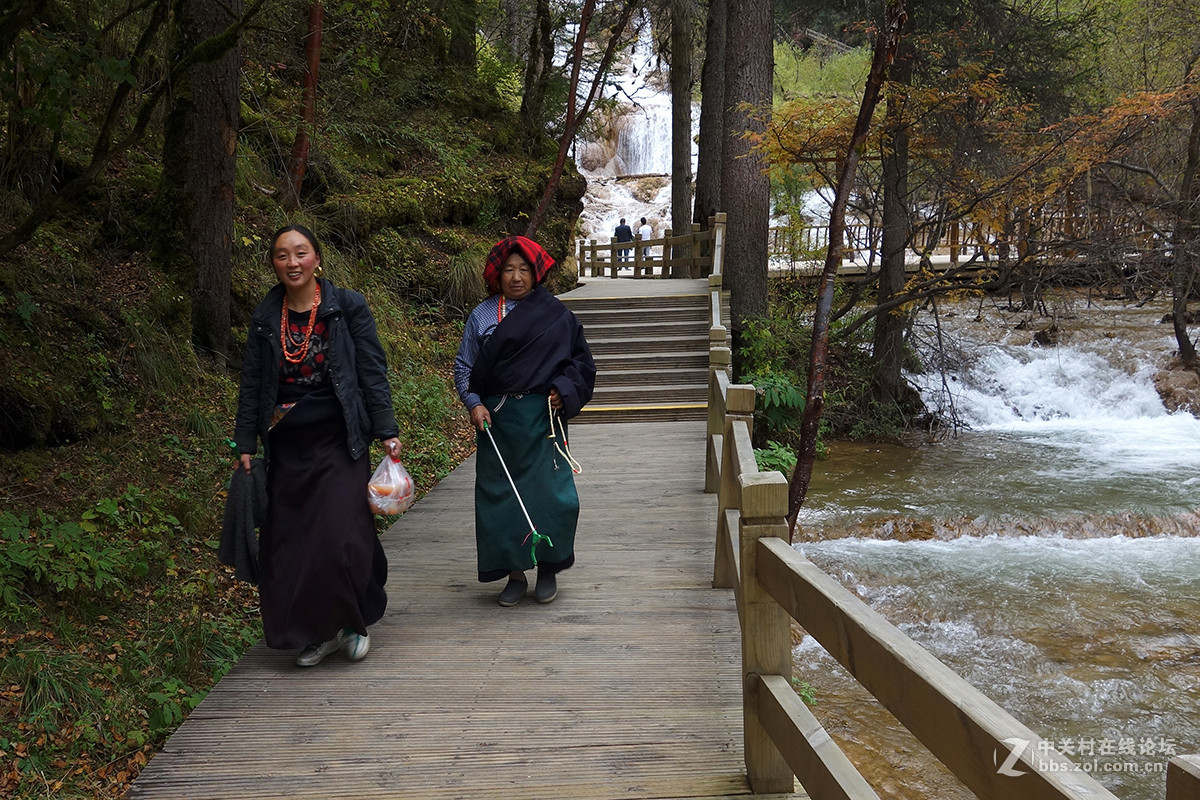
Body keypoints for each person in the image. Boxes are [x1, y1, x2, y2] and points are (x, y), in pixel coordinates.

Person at [233, 224, 402, 667]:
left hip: (339, 437)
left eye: (301, 252)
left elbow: (371, 370)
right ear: (273, 264)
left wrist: (387, 430)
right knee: (293, 543)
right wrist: (245, 441)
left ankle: (350, 623)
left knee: (340, 535)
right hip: (287, 444)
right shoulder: (266, 318)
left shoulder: (347, 307)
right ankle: (316, 631)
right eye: (282, 255)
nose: (292, 262)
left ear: (317, 258)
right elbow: (252, 383)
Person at [453, 236, 596, 607]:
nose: (516, 277)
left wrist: (562, 391)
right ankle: (515, 573)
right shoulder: (482, 316)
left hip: (543, 419)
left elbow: (580, 364)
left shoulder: (557, 316)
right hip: (497, 419)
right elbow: (464, 366)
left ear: (536, 274)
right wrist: (473, 403)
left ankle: (547, 568)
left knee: (553, 497)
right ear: (496, 276)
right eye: (508, 270)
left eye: (524, 269)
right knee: (501, 499)